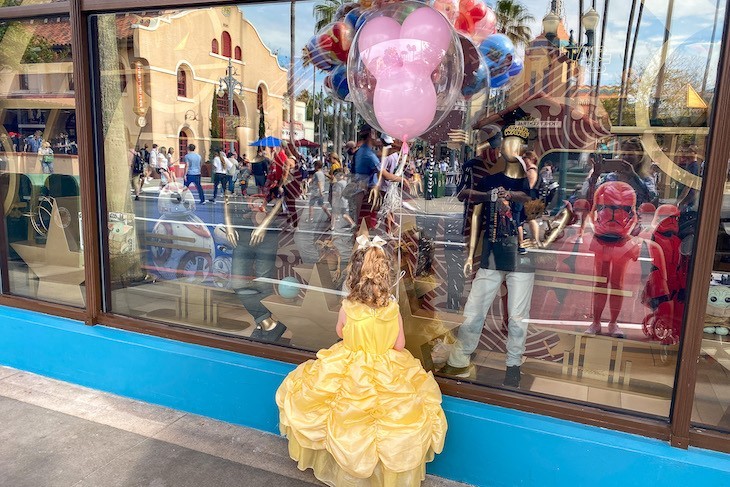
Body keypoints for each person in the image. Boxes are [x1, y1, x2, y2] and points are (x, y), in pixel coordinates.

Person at [276, 236, 447, 486]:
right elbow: (399, 344)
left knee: (341, 412)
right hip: (386, 365)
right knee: (386, 420)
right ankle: (380, 474)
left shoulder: (348, 307)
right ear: (385, 276)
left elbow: (340, 333)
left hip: (350, 362)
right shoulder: (392, 308)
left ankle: (339, 465)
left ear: (354, 276)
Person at [439, 125, 537, 388]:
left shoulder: (531, 185)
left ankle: (513, 364)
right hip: (492, 255)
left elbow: (535, 214)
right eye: (506, 141)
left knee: (517, 316)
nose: (508, 147)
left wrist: (528, 179)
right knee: (474, 310)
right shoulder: (490, 181)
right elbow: (475, 214)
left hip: (522, 258)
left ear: (523, 149)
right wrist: (471, 254)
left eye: (515, 143)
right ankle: (459, 358)